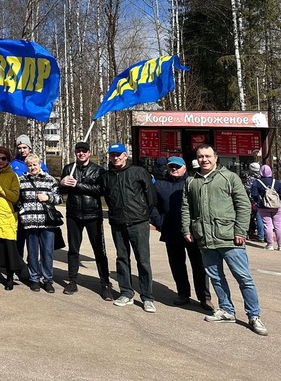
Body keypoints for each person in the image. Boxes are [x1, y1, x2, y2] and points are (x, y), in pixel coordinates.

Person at [182, 144, 268, 336]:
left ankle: (254, 316)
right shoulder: (191, 181)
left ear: (216, 157)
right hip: (205, 239)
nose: (204, 159)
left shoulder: (229, 177)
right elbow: (186, 207)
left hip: (230, 238)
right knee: (216, 278)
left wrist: (240, 230)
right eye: (201, 156)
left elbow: (243, 206)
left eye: (208, 156)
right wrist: (187, 228)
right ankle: (227, 310)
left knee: (244, 278)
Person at [99, 143, 157, 313]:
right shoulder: (107, 176)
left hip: (138, 222)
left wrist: (144, 214)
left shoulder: (138, 172)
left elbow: (151, 196)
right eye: (112, 155)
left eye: (119, 154)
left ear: (125, 155)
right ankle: (126, 293)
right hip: (117, 223)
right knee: (122, 258)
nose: (116, 158)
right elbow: (106, 197)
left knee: (143, 260)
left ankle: (147, 297)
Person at [150, 157, 212, 311]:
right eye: (171, 167)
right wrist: (160, 222)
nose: (174, 169)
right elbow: (152, 206)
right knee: (177, 265)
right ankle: (183, 293)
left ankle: (205, 297)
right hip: (171, 230)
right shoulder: (159, 185)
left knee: (199, 265)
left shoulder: (192, 182)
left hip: (192, 232)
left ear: (184, 168)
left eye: (177, 167)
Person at [59, 141, 113, 300]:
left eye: (84, 151)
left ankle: (105, 284)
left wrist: (78, 185)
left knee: (99, 250)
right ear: (75, 153)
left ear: (89, 153)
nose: (81, 154)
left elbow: (100, 190)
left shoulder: (98, 170)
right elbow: (61, 191)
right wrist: (61, 183)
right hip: (74, 214)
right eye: (78, 151)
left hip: (93, 215)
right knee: (73, 249)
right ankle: (72, 281)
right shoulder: (69, 169)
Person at [0, 146, 26, 290]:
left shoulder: (13, 176)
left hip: (7, 218)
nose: (0, 161)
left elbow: (15, 196)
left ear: (8, 160)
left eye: (3, 158)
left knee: (9, 251)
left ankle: (9, 277)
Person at [19, 154, 62, 293]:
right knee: (32, 253)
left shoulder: (50, 180)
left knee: (47, 252)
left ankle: (48, 279)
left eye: (35, 164)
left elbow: (59, 198)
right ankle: (34, 279)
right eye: (30, 165)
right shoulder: (22, 181)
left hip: (47, 222)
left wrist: (47, 197)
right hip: (30, 222)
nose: (32, 167)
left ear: (40, 164)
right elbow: (18, 200)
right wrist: (22, 211)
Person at [252, 165, 281, 250]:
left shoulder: (257, 182)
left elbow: (254, 194)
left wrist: (258, 201)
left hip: (263, 206)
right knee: (278, 225)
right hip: (277, 206)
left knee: (267, 225)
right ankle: (280, 245)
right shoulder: (277, 182)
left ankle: (270, 245)